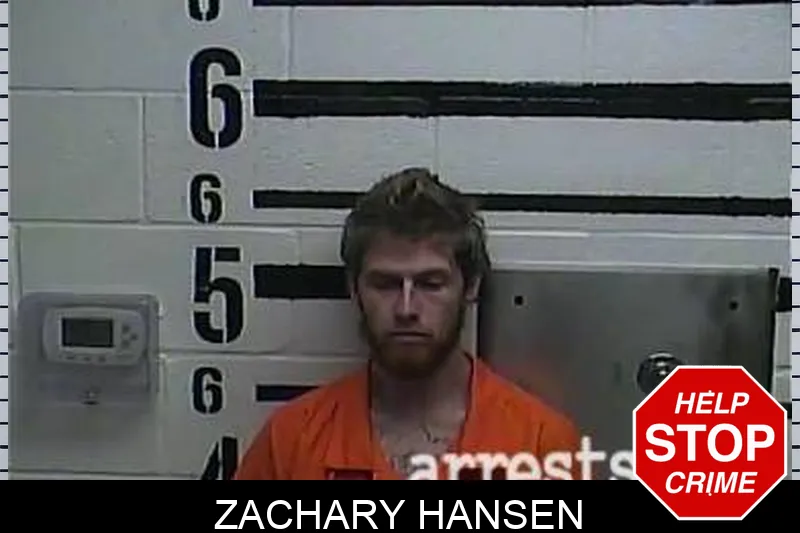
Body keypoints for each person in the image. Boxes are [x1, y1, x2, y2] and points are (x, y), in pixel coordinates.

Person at [234, 167, 581, 480]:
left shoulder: (541, 446)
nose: (406, 308)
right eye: (385, 284)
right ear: (354, 289)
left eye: (431, 283)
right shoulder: (290, 442)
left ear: (470, 286)